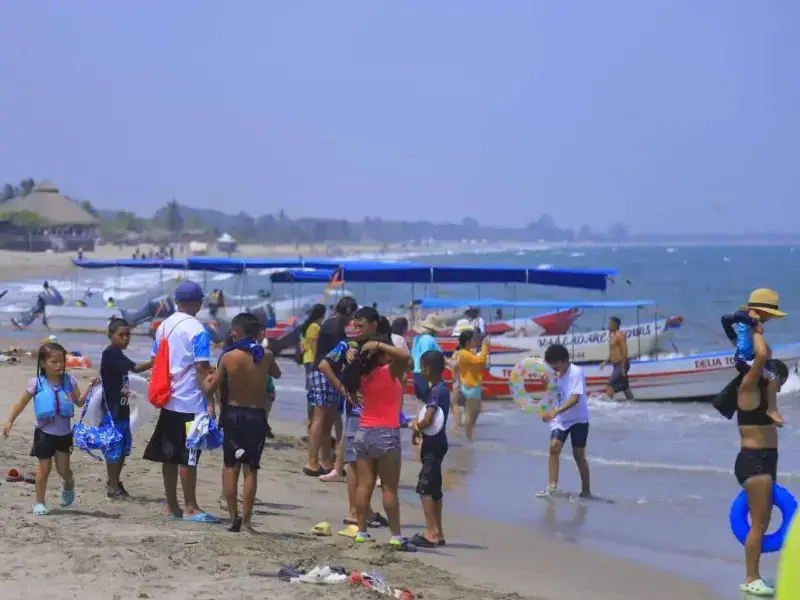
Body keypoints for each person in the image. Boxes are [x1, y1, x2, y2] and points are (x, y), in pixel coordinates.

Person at [143, 280, 219, 523]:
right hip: (190, 400)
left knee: (169, 456)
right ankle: (191, 507)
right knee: (188, 456)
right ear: (198, 302)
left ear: (178, 301)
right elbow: (201, 368)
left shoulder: (163, 325)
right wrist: (210, 400)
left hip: (169, 398)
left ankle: (172, 507)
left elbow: (155, 360)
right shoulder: (198, 330)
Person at [202, 312, 280, 532]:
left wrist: (206, 379)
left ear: (235, 333)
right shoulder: (265, 355)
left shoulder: (228, 357)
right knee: (251, 469)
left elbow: (210, 388)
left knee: (230, 467)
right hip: (257, 415)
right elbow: (277, 373)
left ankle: (233, 519)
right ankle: (246, 522)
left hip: (234, 414)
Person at [348, 309, 416, 551]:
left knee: (364, 485)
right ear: (382, 356)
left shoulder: (362, 375)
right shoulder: (391, 371)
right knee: (389, 488)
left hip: (363, 431)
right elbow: (409, 360)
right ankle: (396, 535)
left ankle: (362, 531)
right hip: (386, 432)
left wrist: (373, 346)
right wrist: (380, 344)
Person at [317, 307, 388, 529]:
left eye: (361, 326)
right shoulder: (349, 346)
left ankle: (363, 510)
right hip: (358, 414)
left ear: (374, 325)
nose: (356, 330)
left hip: (377, 414)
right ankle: (354, 511)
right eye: (354, 326)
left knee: (368, 467)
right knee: (356, 465)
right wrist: (342, 390)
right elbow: (323, 364)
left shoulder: (380, 347)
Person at [2, 342, 92, 515]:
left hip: (64, 434)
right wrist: (9, 421)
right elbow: (20, 404)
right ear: (43, 363)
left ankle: (68, 483)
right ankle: (40, 503)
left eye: (61, 361)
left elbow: (79, 402)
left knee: (64, 470)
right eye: (54, 362)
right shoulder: (36, 383)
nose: (59, 365)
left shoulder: (69, 381)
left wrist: (90, 388)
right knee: (43, 470)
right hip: (44, 433)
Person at [734, 327, 788, 596]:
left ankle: (756, 576)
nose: (777, 384)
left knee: (764, 521)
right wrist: (755, 331)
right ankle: (751, 577)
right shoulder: (747, 389)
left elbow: (767, 358)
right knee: (758, 522)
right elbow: (763, 355)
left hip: (767, 460)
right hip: (753, 461)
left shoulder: (767, 398)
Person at [305, 296, 358, 477]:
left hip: (328, 373)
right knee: (320, 418)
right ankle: (312, 461)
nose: (352, 321)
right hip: (323, 373)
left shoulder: (333, 325)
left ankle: (326, 461)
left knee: (328, 419)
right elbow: (336, 355)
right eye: (352, 316)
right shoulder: (334, 327)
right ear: (348, 313)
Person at [100, 318, 153, 499]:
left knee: (122, 448)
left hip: (121, 408)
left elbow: (130, 370)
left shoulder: (119, 354)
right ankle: (113, 485)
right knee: (114, 446)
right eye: (120, 335)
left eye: (127, 334)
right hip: (111, 409)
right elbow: (136, 368)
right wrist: (156, 360)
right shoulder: (110, 354)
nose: (125, 338)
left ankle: (114, 481)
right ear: (111, 336)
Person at [722, 288, 786, 426]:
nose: (769, 319)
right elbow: (729, 318)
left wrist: (734, 339)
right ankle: (772, 409)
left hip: (746, 357)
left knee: (768, 354)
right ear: (761, 311)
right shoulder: (749, 317)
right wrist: (754, 323)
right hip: (745, 360)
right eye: (769, 315)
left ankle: (769, 402)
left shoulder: (749, 321)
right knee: (773, 377)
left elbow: (726, 320)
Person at [538, 343, 591, 499]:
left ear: (565, 360)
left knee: (578, 454)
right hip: (560, 419)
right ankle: (552, 487)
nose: (554, 368)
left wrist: (555, 412)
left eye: (556, 364)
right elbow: (553, 394)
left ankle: (586, 491)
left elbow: (575, 398)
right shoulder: (553, 374)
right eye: (551, 365)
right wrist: (546, 409)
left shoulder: (576, 372)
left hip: (578, 418)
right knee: (554, 448)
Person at [410, 349, 450, 548]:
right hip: (440, 442)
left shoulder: (435, 392)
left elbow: (429, 418)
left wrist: (415, 426)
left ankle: (431, 533)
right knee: (435, 489)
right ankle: (439, 532)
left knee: (425, 488)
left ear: (427, 369)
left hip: (433, 445)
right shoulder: (443, 388)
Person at [456, 330, 489, 440]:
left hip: (473, 385)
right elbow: (480, 360)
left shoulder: (469, 353)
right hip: (470, 386)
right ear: (467, 342)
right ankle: (468, 437)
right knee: (470, 413)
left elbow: (481, 364)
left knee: (477, 411)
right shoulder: (464, 353)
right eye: (474, 339)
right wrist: (485, 347)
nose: (476, 341)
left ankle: (468, 434)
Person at [300, 303, 327, 428]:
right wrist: (318, 361)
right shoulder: (314, 327)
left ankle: (311, 419)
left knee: (312, 391)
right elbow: (314, 345)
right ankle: (311, 420)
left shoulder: (312, 326)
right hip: (312, 360)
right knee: (313, 391)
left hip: (309, 360)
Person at [411, 314, 444, 402]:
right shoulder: (429, 339)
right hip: (427, 376)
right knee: (432, 405)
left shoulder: (417, 338)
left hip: (417, 374)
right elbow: (427, 358)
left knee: (422, 406)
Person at [600, 317, 634, 400]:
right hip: (616, 365)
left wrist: (623, 367)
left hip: (621, 364)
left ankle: (609, 405)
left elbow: (624, 351)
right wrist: (605, 361)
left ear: (614, 325)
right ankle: (633, 403)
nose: (608, 326)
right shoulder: (613, 336)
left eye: (610, 324)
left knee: (610, 384)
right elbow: (612, 352)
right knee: (625, 386)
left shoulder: (619, 335)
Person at [448, 333, 467, 433]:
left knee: (454, 403)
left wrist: (445, 360)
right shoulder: (467, 352)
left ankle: (456, 426)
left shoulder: (459, 353)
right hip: (464, 382)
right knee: (462, 404)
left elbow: (454, 365)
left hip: (458, 383)